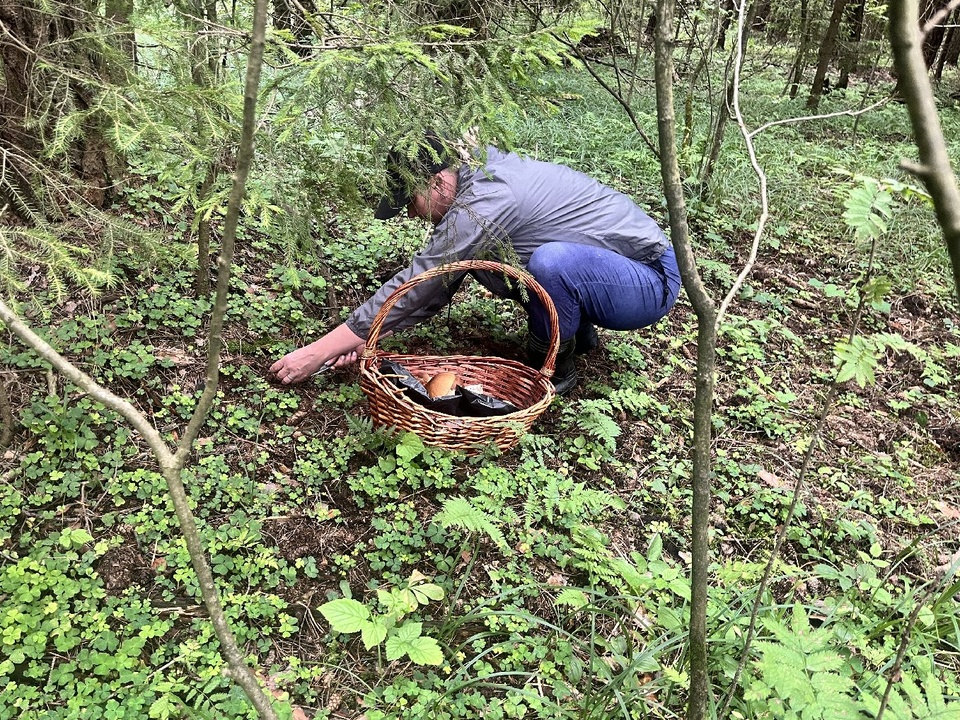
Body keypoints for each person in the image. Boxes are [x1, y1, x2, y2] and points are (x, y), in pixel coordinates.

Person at [269, 132, 681, 395]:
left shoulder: (486, 199)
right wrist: (361, 338)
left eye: (409, 202)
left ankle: (555, 365)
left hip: (648, 280)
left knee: (551, 261)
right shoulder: (474, 178)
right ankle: (574, 332)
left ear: (436, 182)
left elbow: (421, 282)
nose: (411, 215)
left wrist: (318, 351)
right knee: (487, 262)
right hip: (605, 272)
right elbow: (438, 282)